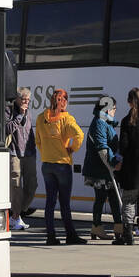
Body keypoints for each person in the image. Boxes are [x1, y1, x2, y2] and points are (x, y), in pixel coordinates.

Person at [35, 87, 86, 245]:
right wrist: (72, 148)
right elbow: (79, 134)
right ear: (64, 102)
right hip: (62, 165)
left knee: (50, 203)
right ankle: (70, 235)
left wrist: (46, 153)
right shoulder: (67, 119)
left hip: (47, 165)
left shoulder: (40, 118)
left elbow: (38, 141)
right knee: (64, 203)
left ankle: (51, 237)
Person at [82, 95, 123, 241]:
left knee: (110, 196)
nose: (115, 111)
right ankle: (98, 226)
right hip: (100, 169)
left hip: (103, 168)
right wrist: (112, 163)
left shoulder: (105, 122)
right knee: (101, 197)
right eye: (114, 109)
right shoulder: (100, 123)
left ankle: (117, 225)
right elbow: (102, 147)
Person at [117, 87, 139, 245]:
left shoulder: (126, 121)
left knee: (129, 201)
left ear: (129, 102)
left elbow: (123, 146)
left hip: (130, 169)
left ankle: (128, 235)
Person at [4, 87, 36, 231]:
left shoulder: (28, 112)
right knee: (16, 186)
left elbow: (29, 131)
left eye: (28, 100)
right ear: (17, 99)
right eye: (24, 99)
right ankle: (16, 217)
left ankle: (17, 212)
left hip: (29, 153)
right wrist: (19, 116)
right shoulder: (9, 110)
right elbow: (7, 129)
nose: (26, 102)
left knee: (32, 185)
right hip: (14, 153)